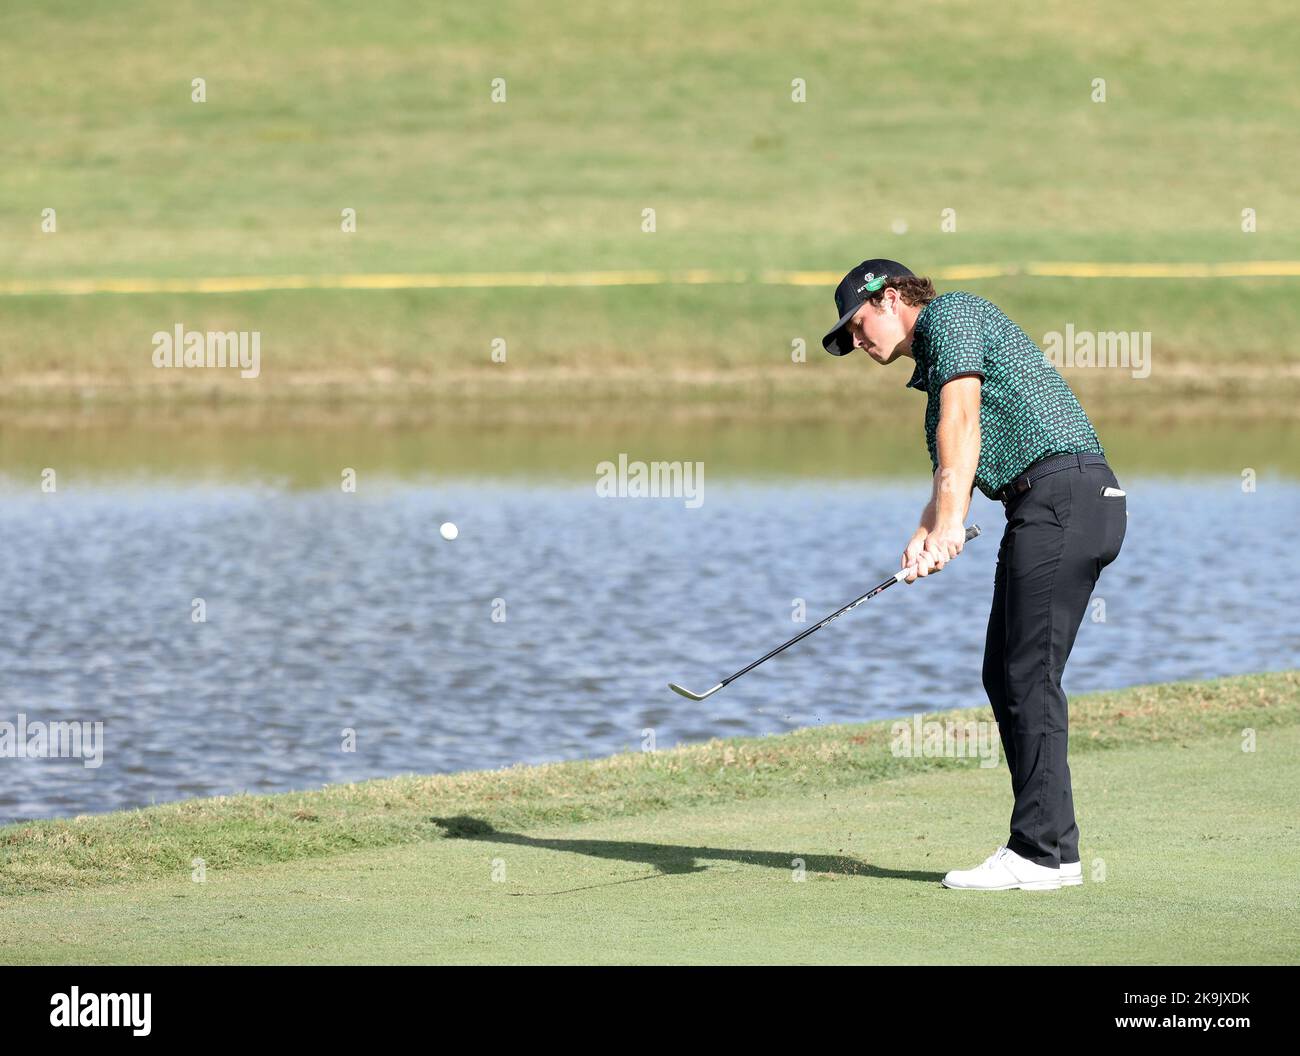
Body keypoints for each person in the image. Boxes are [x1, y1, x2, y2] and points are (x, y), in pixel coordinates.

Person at [823, 259, 1127, 891]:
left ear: (890, 298)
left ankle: (1038, 852)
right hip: (1053, 506)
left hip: (1063, 499)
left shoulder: (952, 316)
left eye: (856, 326)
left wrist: (954, 525)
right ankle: (1055, 850)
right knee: (1007, 672)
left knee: (1028, 673)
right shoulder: (933, 376)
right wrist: (926, 530)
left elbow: (963, 422)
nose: (856, 342)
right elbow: (952, 458)